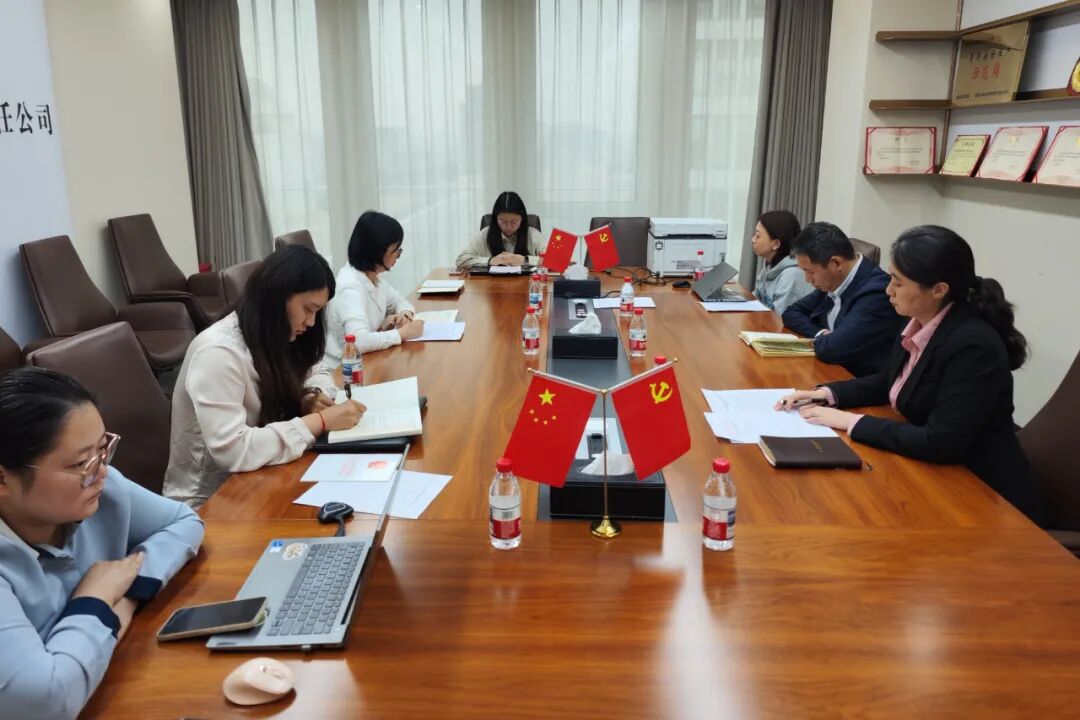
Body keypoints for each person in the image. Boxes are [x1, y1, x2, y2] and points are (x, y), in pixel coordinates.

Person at [776, 225, 1045, 524]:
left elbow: (940, 441)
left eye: (898, 282)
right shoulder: (919, 322)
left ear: (939, 289)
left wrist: (850, 422)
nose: (888, 290)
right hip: (936, 477)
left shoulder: (973, 345)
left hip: (986, 499)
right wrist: (825, 394)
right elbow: (887, 381)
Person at [0, 368, 204, 719]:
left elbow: (184, 523)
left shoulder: (99, 490)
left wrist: (124, 598)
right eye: (81, 462)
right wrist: (93, 600)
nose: (102, 471)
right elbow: (45, 702)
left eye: (102, 448)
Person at [165, 245, 365, 507]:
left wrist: (311, 395)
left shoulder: (275, 330)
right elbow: (234, 450)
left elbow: (316, 368)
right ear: (277, 298)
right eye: (308, 309)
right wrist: (320, 421)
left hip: (262, 475)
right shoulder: (217, 352)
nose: (311, 322)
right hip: (210, 502)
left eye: (317, 312)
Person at [781, 222, 903, 376]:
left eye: (810, 271)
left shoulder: (876, 294)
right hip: (826, 370)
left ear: (836, 263)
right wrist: (821, 333)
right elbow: (791, 313)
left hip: (855, 380)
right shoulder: (834, 280)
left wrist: (828, 340)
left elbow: (832, 349)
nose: (807, 279)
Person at [323, 211, 425, 365]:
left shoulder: (374, 277)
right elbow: (358, 341)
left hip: (369, 360)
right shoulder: (350, 288)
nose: (398, 256)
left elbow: (399, 301)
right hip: (344, 369)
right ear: (377, 251)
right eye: (396, 251)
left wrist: (404, 314)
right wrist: (402, 333)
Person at [454, 191, 545, 268]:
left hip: (526, 283)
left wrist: (525, 260)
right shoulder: (485, 234)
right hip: (490, 283)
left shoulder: (533, 235)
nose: (509, 227)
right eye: (503, 222)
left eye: (514, 222)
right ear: (496, 219)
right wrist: (489, 261)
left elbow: (552, 261)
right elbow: (461, 260)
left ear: (522, 219)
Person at [750, 210, 813, 315]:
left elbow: (779, 319)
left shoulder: (791, 276)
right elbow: (756, 297)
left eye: (758, 236)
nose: (753, 240)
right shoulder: (770, 263)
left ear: (776, 244)